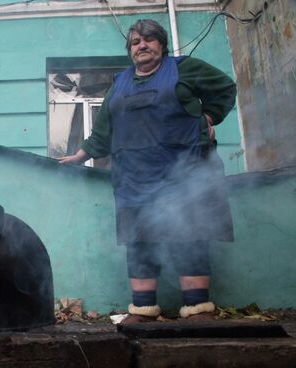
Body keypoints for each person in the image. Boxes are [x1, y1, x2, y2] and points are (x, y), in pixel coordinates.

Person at [59, 19, 236, 322]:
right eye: (135, 42)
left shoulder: (185, 69)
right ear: (130, 50)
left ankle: (197, 308)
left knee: (189, 235)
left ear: (162, 44)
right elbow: (104, 127)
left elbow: (225, 88)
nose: (142, 45)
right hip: (134, 178)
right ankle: (142, 309)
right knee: (139, 241)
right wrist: (81, 154)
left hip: (185, 174)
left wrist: (208, 118)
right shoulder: (120, 84)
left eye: (149, 39)